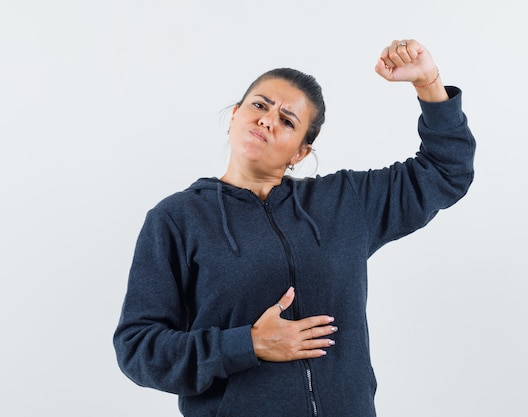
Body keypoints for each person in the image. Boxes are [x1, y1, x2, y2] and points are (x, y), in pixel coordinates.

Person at [113, 38, 476, 417]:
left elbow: (445, 171)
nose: (267, 120)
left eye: (287, 121)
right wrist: (248, 344)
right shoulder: (177, 219)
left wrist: (428, 83)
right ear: (235, 114)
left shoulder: (345, 202)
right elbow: (139, 349)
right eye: (259, 105)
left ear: (300, 152)